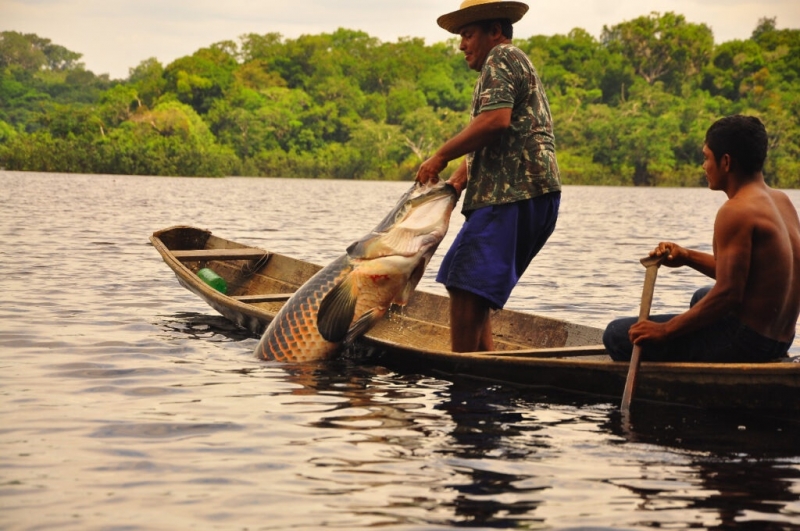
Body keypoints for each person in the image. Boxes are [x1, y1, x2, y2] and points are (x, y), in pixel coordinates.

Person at [415, 0, 562, 352]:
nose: (461, 45)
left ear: (495, 31)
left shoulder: (502, 57)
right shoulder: (510, 64)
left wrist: (440, 154)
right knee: (472, 291)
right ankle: (483, 369)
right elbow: (504, 135)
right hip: (526, 195)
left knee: (464, 282)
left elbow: (496, 123)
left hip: (512, 195)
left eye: (467, 35)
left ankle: (464, 375)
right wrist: (457, 179)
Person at [604, 115, 800, 363]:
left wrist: (665, 330)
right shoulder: (782, 201)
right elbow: (741, 276)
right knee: (701, 296)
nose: (704, 166)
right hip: (781, 338)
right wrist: (686, 256)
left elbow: (729, 293)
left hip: (749, 343)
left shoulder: (736, 211)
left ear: (726, 162)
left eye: (707, 157)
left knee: (615, 335)